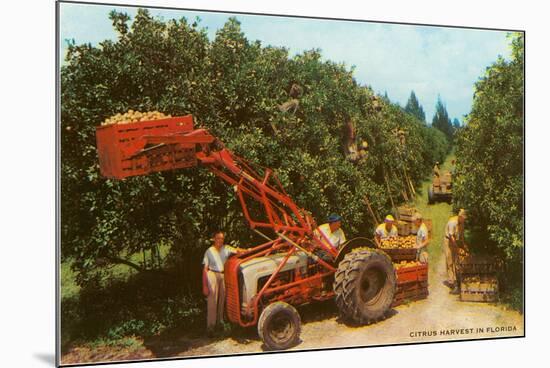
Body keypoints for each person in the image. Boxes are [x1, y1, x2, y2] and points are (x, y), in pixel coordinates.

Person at [202, 231, 240, 335]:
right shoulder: (209, 251)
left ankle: (219, 324)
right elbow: (205, 269)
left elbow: (238, 251)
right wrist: (205, 286)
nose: (220, 240)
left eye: (222, 238)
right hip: (212, 274)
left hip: (223, 275)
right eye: (218, 238)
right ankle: (210, 327)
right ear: (214, 239)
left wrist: (248, 250)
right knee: (212, 300)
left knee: (222, 300)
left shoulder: (226, 248)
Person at [443, 209, 468, 295]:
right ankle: (453, 283)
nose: (464, 220)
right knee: (450, 261)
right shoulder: (452, 222)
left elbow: (461, 236)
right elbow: (451, 236)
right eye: (463, 218)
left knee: (457, 261)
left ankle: (458, 280)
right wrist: (457, 248)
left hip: (455, 240)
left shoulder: (462, 223)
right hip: (449, 241)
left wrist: (464, 245)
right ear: (460, 217)